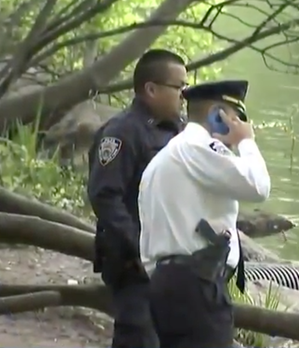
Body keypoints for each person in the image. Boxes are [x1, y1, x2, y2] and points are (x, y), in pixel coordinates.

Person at [138, 80, 271, 348]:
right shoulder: (199, 148)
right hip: (195, 285)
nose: (240, 124)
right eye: (237, 117)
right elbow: (259, 186)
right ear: (218, 115)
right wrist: (246, 142)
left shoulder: (172, 153)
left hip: (170, 281)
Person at [86, 49, 188, 348]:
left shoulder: (180, 132)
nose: (185, 94)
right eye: (179, 87)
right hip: (134, 263)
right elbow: (105, 197)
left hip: (173, 263)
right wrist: (142, 249)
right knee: (139, 338)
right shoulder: (122, 133)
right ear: (151, 89)